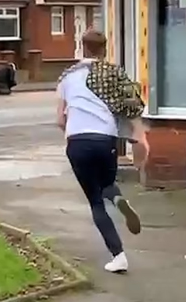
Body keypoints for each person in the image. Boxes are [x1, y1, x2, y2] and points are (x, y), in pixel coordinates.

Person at [57, 30, 146, 274]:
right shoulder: (114, 72)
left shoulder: (67, 76)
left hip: (77, 141)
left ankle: (118, 256)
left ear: (82, 47)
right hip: (105, 138)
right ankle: (118, 200)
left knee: (95, 202)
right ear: (105, 49)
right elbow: (134, 104)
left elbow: (59, 119)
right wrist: (139, 135)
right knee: (107, 184)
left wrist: (72, 128)